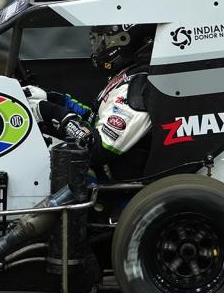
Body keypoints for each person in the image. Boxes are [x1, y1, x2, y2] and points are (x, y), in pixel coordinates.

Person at [23, 24, 157, 181]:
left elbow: (97, 149)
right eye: (95, 41)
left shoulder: (138, 85)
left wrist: (51, 112)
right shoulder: (128, 75)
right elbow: (94, 119)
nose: (98, 48)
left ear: (124, 41)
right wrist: (52, 99)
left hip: (117, 192)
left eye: (103, 42)